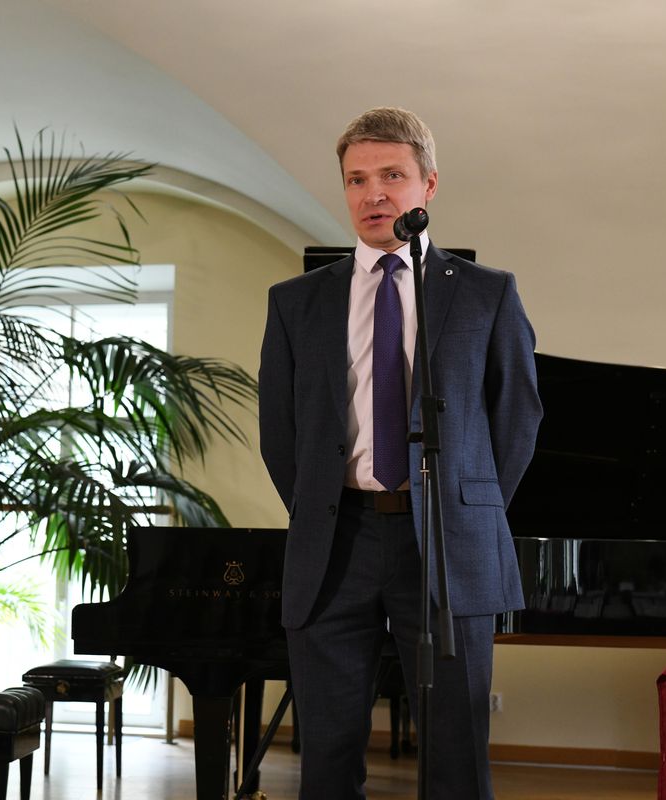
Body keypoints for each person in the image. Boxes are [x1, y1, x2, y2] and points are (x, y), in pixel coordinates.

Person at [259, 107, 543, 799]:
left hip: (447, 541)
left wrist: (464, 505)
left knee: (456, 755)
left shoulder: (485, 295)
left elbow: (517, 416)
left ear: (428, 185)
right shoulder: (296, 303)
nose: (373, 194)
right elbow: (280, 432)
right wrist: (322, 504)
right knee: (327, 755)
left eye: (392, 175)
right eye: (357, 180)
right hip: (337, 542)